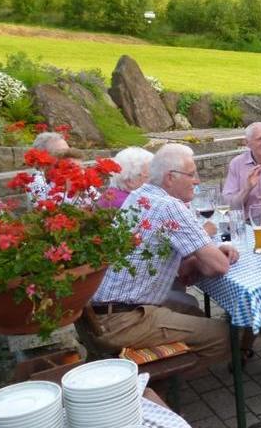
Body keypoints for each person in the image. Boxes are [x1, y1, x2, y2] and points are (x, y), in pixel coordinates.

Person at [89, 144, 238, 366]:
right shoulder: (169, 206)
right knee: (225, 335)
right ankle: (159, 382)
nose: (197, 181)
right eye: (191, 174)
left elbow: (181, 268)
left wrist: (208, 255)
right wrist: (214, 255)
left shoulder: (140, 195)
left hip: (99, 314)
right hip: (122, 321)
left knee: (190, 309)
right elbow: (218, 268)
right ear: (170, 178)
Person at [28, 132, 70, 204]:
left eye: (69, 152)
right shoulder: (37, 181)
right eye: (61, 153)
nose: (69, 157)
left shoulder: (66, 175)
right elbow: (48, 211)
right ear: (43, 156)